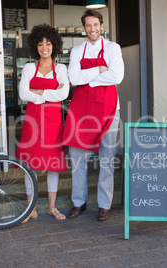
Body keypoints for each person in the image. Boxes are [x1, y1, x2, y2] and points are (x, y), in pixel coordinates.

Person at [63, 10, 124, 221]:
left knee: (107, 159)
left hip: (108, 110)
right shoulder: (77, 50)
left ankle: (104, 205)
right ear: (84, 29)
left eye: (95, 24)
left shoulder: (112, 48)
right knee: (78, 158)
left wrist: (87, 78)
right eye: (88, 25)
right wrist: (98, 69)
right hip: (81, 110)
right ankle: (78, 202)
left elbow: (117, 76)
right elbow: (73, 77)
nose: (92, 29)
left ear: (101, 25)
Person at [16, 24, 69, 222]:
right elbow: (23, 94)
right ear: (35, 46)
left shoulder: (61, 68)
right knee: (31, 164)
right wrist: (49, 95)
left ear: (54, 45)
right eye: (40, 44)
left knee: (52, 165)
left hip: (54, 121)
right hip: (33, 120)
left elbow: (63, 94)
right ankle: (31, 208)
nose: (44, 47)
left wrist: (37, 93)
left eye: (48, 43)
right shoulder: (29, 67)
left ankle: (51, 207)